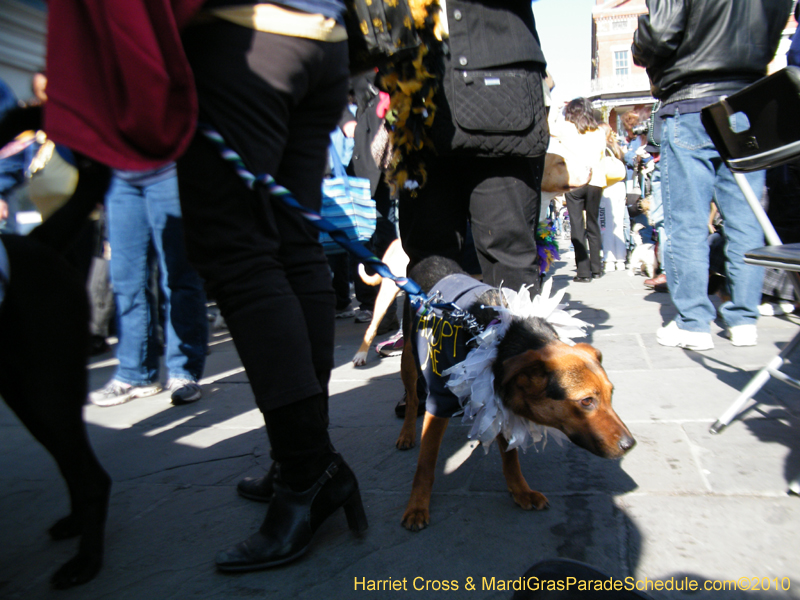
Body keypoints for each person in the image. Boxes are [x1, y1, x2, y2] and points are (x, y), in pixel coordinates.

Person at [176, 0, 368, 572]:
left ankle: (308, 469)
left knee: (238, 253)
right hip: (324, 41)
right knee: (294, 247)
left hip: (244, 35)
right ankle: (305, 457)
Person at [632, 0, 793, 350]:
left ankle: (693, 322)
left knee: (686, 222)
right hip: (747, 99)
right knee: (745, 220)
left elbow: (659, 34)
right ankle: (743, 318)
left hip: (691, 100)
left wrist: (640, 41)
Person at [389, 0, 549, 294]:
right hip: (418, 98)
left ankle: (518, 339)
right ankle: (439, 339)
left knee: (508, 258)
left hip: (499, 96)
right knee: (429, 263)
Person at [88, 162, 209, 407]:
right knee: (126, 280)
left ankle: (183, 372)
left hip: (169, 169)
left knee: (179, 275)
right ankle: (135, 374)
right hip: (120, 174)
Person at [554, 98, 606, 282]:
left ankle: (583, 272)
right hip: (596, 180)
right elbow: (602, 154)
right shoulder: (599, 131)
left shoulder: (567, 128)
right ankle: (597, 268)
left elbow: (547, 127)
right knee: (593, 224)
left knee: (577, 226)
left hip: (575, 180)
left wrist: (558, 107)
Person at [598, 123, 627, 272]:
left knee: (606, 225)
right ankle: (621, 259)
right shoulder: (616, 148)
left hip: (607, 187)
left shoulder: (601, 149)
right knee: (619, 224)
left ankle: (609, 259)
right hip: (620, 186)